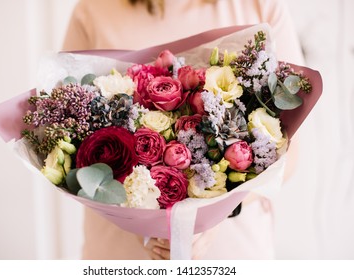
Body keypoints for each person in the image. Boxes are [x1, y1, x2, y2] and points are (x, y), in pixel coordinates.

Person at [63, 0, 304, 260]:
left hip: (229, 250)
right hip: (121, 254)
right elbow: (66, 133)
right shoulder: (93, 11)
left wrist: (218, 215)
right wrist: (135, 216)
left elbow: (290, 151)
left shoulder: (258, 5)